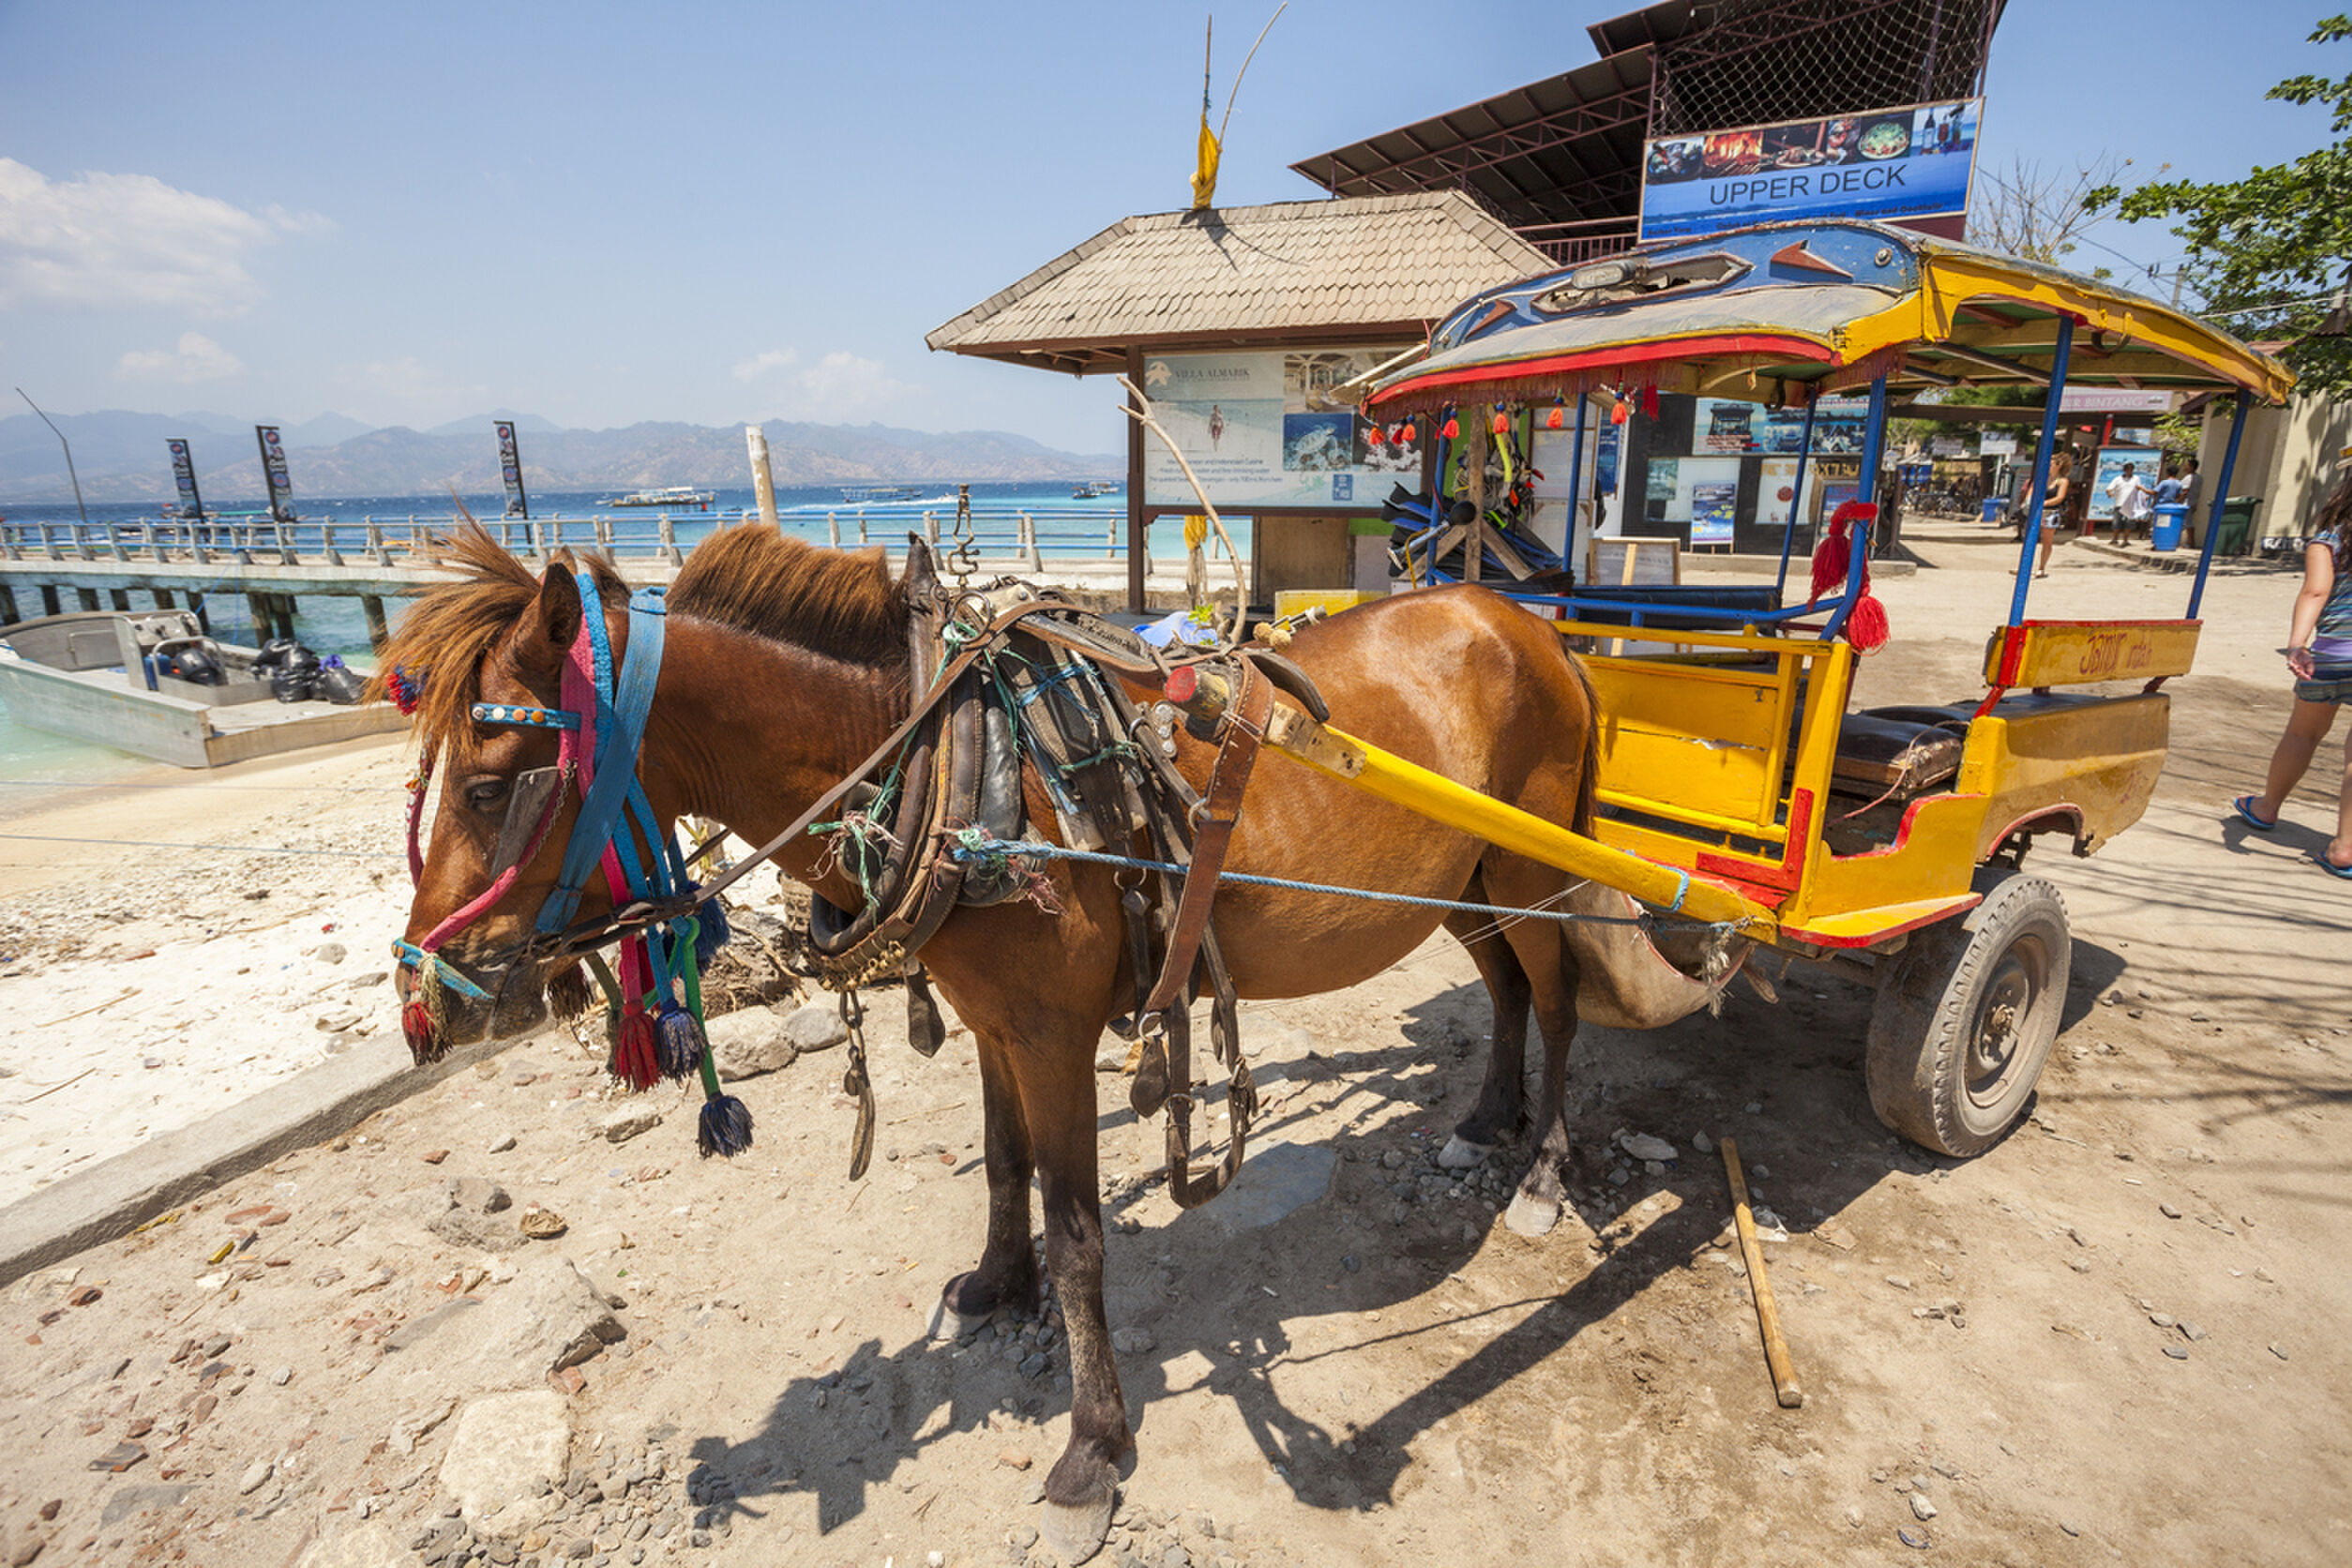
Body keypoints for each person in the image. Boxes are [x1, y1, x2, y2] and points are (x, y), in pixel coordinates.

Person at [2235, 472, 2352, 878]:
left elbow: (2316, 592)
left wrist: (2298, 643)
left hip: (2332, 654)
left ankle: (2267, 807)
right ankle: (2344, 847)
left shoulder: (2331, 540)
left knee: (2302, 734)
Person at [2028, 451, 2073, 579]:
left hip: (2051, 512)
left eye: (2051, 464)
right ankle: (2025, 565)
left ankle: (2041, 567)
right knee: (2030, 538)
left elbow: (2060, 497)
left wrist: (2044, 503)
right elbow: (2032, 488)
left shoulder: (2062, 481)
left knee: (2046, 541)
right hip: (2037, 511)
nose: (2048, 466)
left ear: (2058, 466)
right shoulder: (2043, 478)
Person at [2106, 460, 2152, 543]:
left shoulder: (2136, 478)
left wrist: (2142, 497)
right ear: (2124, 470)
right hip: (2119, 503)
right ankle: (2115, 538)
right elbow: (2109, 489)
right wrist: (2110, 493)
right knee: (2117, 523)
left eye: (2131, 470)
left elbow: (2138, 488)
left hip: (2131, 504)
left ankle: (2125, 540)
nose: (2129, 471)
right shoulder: (2117, 479)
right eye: (2127, 469)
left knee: (2129, 523)